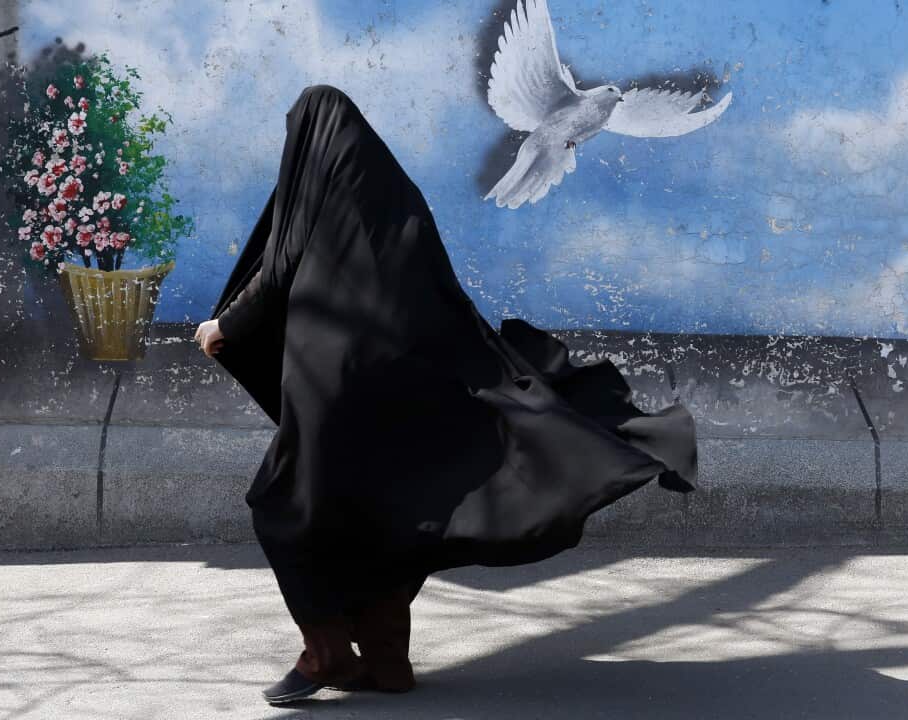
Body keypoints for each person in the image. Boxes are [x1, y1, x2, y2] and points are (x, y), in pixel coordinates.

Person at [193, 84, 698, 705]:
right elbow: (445, 301)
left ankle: (325, 653)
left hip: (337, 394)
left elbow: (278, 267)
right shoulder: (397, 202)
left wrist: (226, 327)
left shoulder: (313, 207)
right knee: (385, 518)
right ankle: (386, 664)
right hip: (407, 394)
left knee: (281, 504)